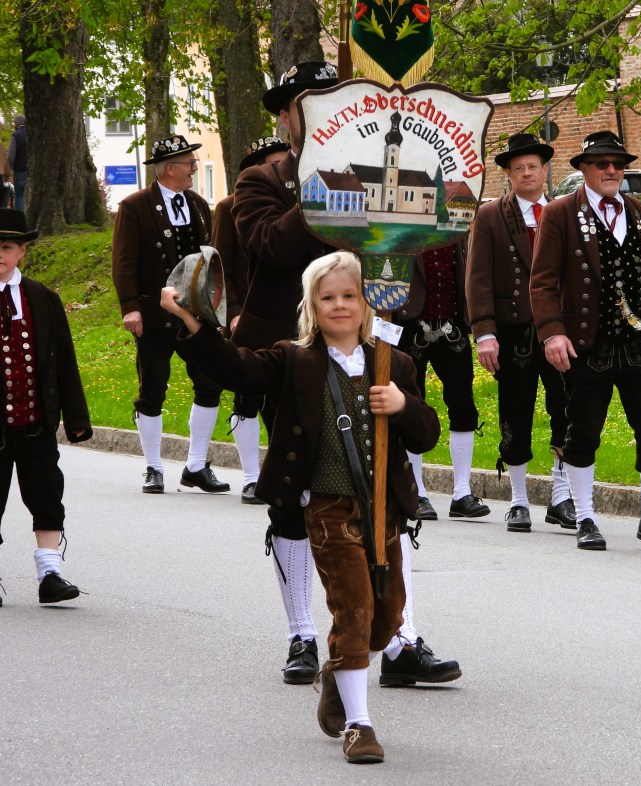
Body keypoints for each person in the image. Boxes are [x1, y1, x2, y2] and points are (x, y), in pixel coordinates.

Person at [232, 61, 461, 688]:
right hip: (294, 359)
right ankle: (303, 633)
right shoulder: (261, 181)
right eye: (307, 105)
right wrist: (325, 181)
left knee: (389, 488)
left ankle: (399, 640)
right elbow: (271, 246)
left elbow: (407, 246)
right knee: (297, 494)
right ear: (287, 117)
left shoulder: (375, 170)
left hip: (369, 348)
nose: (322, 114)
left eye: (333, 102)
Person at [161, 251, 440, 763]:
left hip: (383, 509)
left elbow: (426, 435)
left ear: (367, 302)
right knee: (354, 611)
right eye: (328, 297)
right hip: (327, 510)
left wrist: (403, 406)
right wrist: (192, 323)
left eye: (350, 295)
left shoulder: (393, 362)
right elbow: (236, 369)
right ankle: (359, 725)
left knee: (386, 620)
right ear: (312, 305)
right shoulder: (293, 359)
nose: (340, 305)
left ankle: (338, 672)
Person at [530, 130, 641, 552]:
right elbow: (542, 282)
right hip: (587, 344)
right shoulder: (559, 213)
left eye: (618, 164)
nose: (612, 170)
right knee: (583, 431)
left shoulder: (640, 212)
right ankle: (585, 516)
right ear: (584, 169)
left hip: (638, 342)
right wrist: (552, 333)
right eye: (602, 164)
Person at [466, 133, 575, 533]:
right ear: (509, 176)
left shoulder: (562, 212)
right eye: (519, 168)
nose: (527, 173)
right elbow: (478, 277)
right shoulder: (491, 215)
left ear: (545, 171)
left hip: (559, 330)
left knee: (566, 409)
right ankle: (518, 500)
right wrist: (484, 333)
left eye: (533, 166)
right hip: (513, 333)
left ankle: (562, 496)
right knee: (516, 412)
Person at [112, 134, 230, 496]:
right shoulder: (135, 206)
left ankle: (196, 465)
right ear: (169, 168)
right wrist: (130, 307)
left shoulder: (198, 204)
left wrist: (216, 305)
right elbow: (124, 261)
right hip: (153, 313)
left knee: (210, 381)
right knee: (152, 387)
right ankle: (153, 467)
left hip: (195, 313)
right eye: (189, 163)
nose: (194, 167)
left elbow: (209, 258)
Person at [0, 208, 91, 607]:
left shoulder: (42, 298)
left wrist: (76, 417)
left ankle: (50, 574)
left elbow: (64, 361)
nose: (0, 254)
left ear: (22, 251)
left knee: (47, 493)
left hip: (36, 421)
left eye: (6, 246)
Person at [210, 135, 290, 504]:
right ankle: (250, 476)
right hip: (248, 316)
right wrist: (233, 313)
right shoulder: (229, 207)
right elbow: (220, 265)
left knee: (282, 402)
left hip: (283, 315)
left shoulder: (291, 201)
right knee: (246, 397)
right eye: (274, 163)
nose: (281, 169)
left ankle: (278, 471)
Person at [394, 242, 490, 522]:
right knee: (412, 405)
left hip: (452, 323)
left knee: (463, 404)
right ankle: (417, 491)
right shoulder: (407, 224)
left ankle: (462, 492)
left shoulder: (456, 226)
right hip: (410, 324)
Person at [7, 115, 28, 212]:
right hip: (31, 170)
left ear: (16, 124)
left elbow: (11, 156)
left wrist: (9, 169)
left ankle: (20, 217)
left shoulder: (16, 136)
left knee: (19, 194)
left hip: (19, 170)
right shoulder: (32, 134)